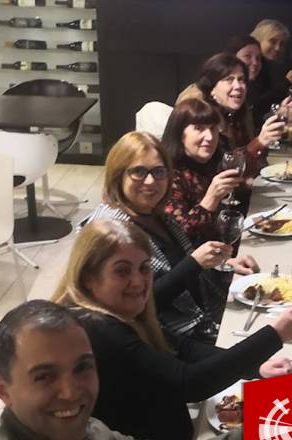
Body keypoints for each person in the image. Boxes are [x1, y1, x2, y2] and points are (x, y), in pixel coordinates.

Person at [52, 219, 292, 440]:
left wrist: (256, 367)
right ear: (88, 277)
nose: (138, 281)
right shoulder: (96, 329)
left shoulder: (118, 309)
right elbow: (188, 384)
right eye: (122, 271)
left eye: (144, 268)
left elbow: (182, 347)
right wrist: (275, 335)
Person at [0, 300, 243, 440]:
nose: (71, 392)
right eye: (44, 377)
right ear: (3, 390)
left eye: (82, 367)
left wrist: (275, 416)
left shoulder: (93, 437)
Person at [92, 131, 257, 339]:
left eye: (159, 171)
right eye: (139, 171)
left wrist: (221, 264)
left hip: (205, 319)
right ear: (117, 176)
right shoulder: (111, 231)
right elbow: (138, 304)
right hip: (172, 339)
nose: (150, 181)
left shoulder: (157, 215)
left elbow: (179, 267)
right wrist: (194, 264)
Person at [161, 98, 243, 245]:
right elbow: (179, 238)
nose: (210, 137)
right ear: (179, 133)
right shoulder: (167, 176)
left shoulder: (214, 162)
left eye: (213, 128)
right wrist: (211, 198)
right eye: (199, 128)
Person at [249, 19, 292, 124]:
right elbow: (255, 105)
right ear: (257, 40)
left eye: (282, 44)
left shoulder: (271, 65)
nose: (277, 48)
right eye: (272, 41)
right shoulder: (250, 66)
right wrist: (286, 82)